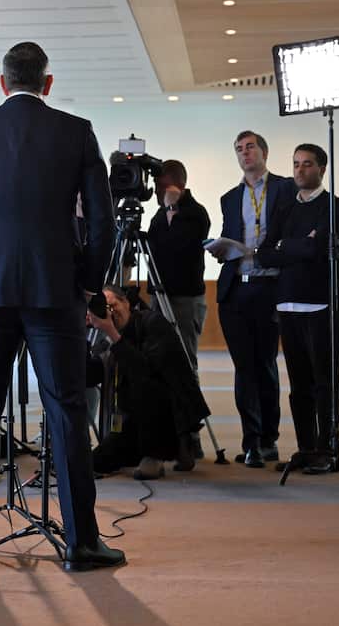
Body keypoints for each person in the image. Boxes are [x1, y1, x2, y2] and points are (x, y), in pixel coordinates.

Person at [0, 40, 125, 572]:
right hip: (54, 290)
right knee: (65, 410)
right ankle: (81, 542)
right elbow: (104, 220)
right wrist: (88, 281)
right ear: (48, 83)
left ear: (2, 83)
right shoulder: (76, 131)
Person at [258, 143, 339, 475]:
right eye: (296, 163)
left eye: (307, 164)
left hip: (321, 304)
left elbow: (318, 249)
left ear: (322, 169)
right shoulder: (285, 208)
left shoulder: (334, 206)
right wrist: (298, 245)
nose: (299, 170)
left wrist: (288, 246)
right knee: (299, 385)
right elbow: (265, 254)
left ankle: (327, 449)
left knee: (324, 381)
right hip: (288, 303)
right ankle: (306, 448)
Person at [215, 130, 296, 468]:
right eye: (239, 149)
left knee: (265, 365)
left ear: (264, 152)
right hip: (236, 288)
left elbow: (291, 234)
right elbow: (230, 235)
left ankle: (268, 439)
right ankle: (251, 442)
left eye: (250, 147)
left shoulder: (285, 188)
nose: (244, 153)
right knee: (243, 368)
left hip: (269, 287)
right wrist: (221, 249)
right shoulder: (230, 198)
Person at [86, 286, 210, 480]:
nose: (110, 312)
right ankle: (170, 449)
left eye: (113, 305)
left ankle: (167, 448)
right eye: (104, 308)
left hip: (166, 413)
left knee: (147, 390)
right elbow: (89, 377)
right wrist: (79, 334)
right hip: (132, 418)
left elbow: (145, 373)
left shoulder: (153, 323)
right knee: (95, 463)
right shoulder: (107, 338)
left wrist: (113, 333)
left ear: (126, 302)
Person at [145, 159, 211, 375]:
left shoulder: (195, 213)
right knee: (158, 360)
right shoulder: (160, 214)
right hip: (160, 295)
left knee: (183, 362)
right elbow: (153, 245)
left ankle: (190, 399)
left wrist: (171, 207)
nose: (156, 192)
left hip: (184, 300)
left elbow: (175, 247)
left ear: (175, 186)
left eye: (160, 186)